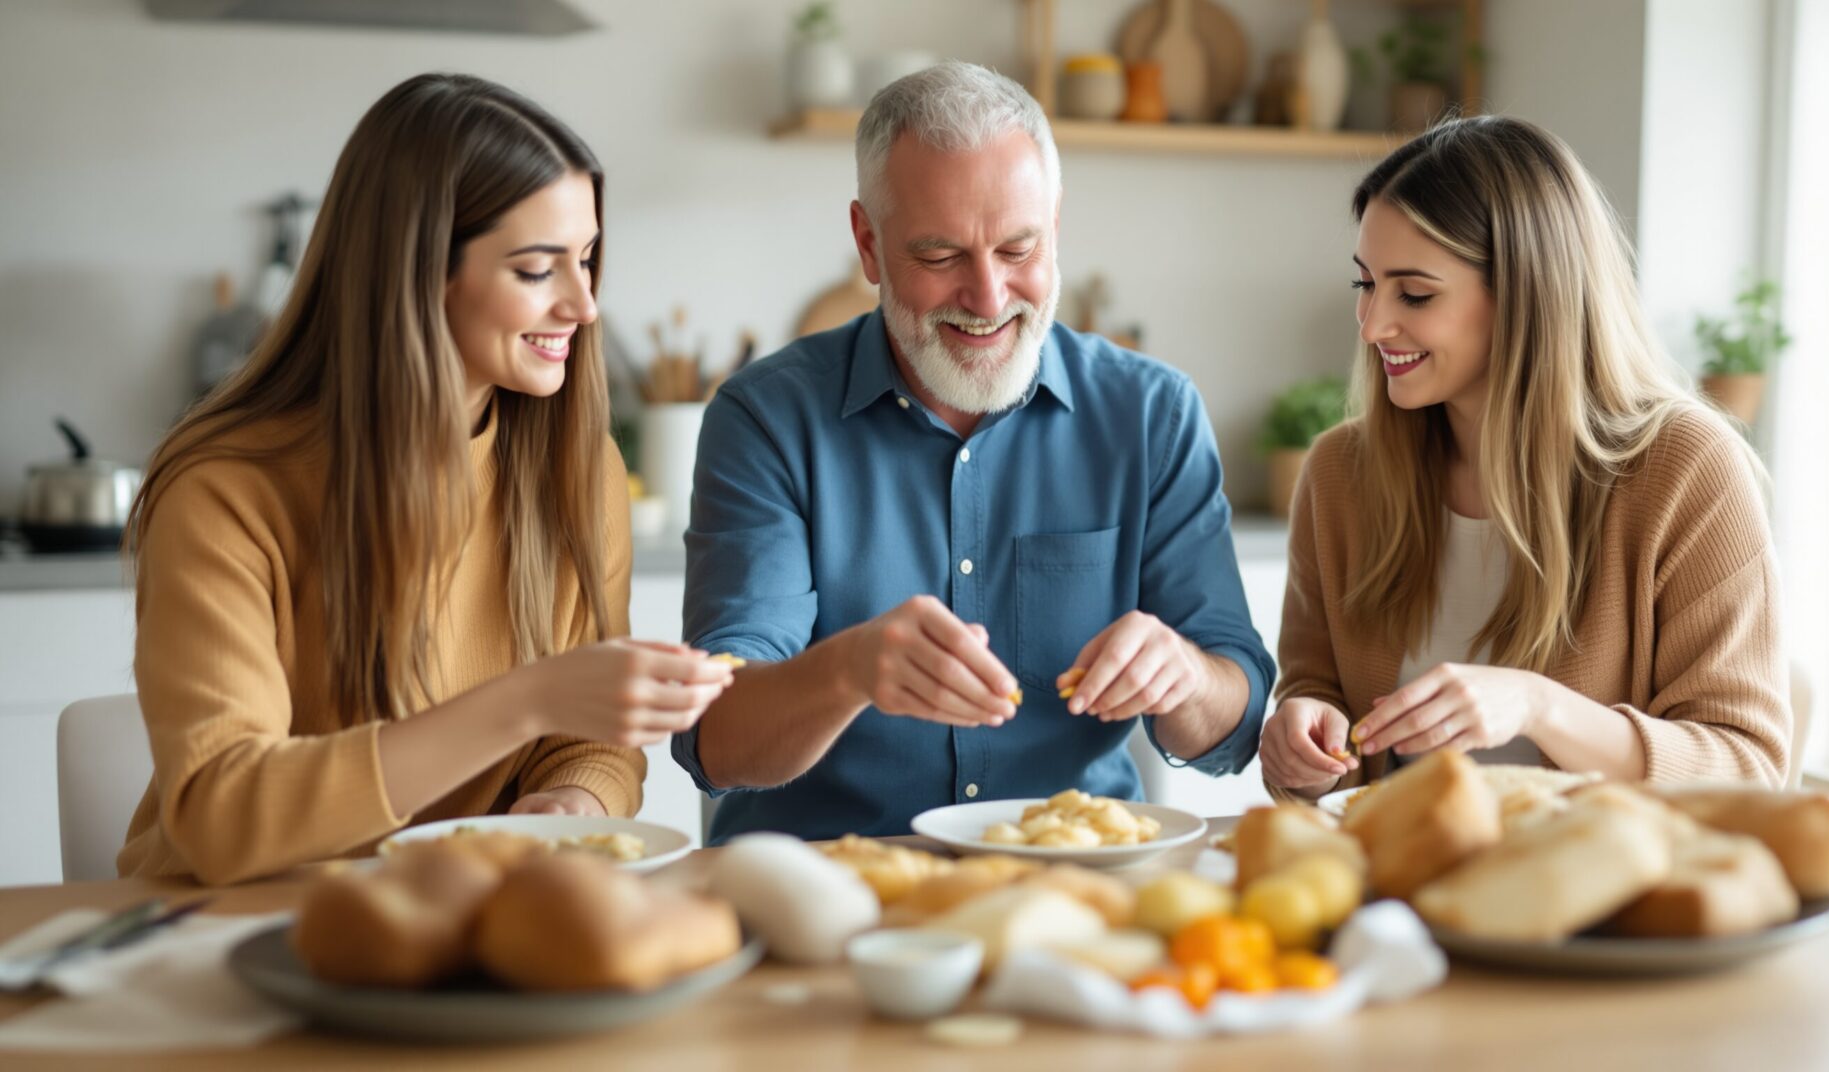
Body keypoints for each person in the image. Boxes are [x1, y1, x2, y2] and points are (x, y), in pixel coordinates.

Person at [118, 73, 733, 885]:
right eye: (537, 270)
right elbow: (223, 818)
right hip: (224, 931)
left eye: (586, 260)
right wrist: (528, 699)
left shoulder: (578, 472)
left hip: (458, 916)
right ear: (418, 274)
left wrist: (574, 800)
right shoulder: (224, 490)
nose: (584, 307)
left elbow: (588, 743)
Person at [675, 62, 1276, 842]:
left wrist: (1188, 677)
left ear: (1055, 226)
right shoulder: (765, 419)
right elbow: (717, 739)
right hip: (823, 890)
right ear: (868, 243)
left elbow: (1231, 728)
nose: (990, 299)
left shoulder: (1151, 414)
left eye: (1019, 250)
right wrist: (848, 671)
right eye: (940, 257)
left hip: (1073, 885)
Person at [1260, 115, 1790, 801]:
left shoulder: (1688, 469)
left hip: (1600, 895)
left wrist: (1541, 707)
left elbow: (1748, 766)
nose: (1371, 325)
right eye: (1365, 285)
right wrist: (1302, 731)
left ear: (1527, 294)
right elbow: (1315, 686)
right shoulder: (1340, 474)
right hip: (1394, 888)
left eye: (1414, 293)